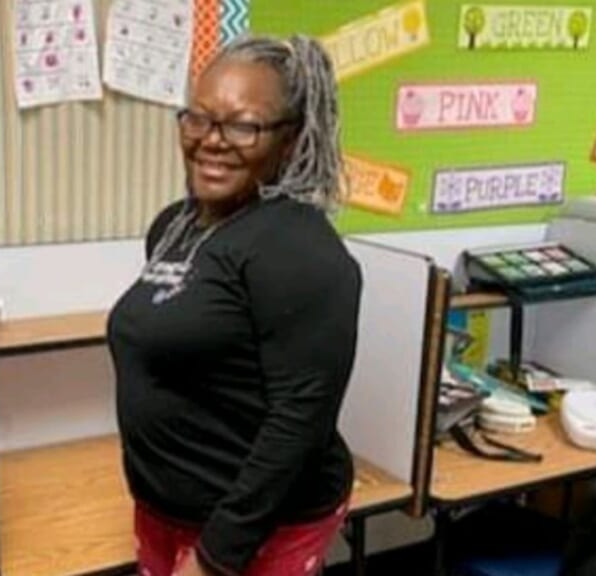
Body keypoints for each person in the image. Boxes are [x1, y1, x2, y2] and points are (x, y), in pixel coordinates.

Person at [107, 34, 361, 576]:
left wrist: (214, 557)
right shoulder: (174, 225)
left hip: (254, 527)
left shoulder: (299, 248)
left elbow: (300, 422)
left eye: (243, 126)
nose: (212, 141)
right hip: (167, 509)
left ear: (291, 140)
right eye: (198, 119)